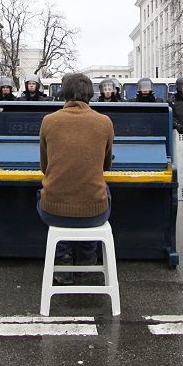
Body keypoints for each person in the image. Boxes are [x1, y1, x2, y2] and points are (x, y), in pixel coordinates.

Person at [37, 73, 114, 284]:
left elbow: (45, 168)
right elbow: (105, 167)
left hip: (53, 213)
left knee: (45, 193)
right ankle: (87, 258)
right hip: (95, 214)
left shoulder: (48, 121)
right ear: (91, 94)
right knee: (103, 192)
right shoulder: (105, 122)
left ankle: (62, 259)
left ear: (64, 94)